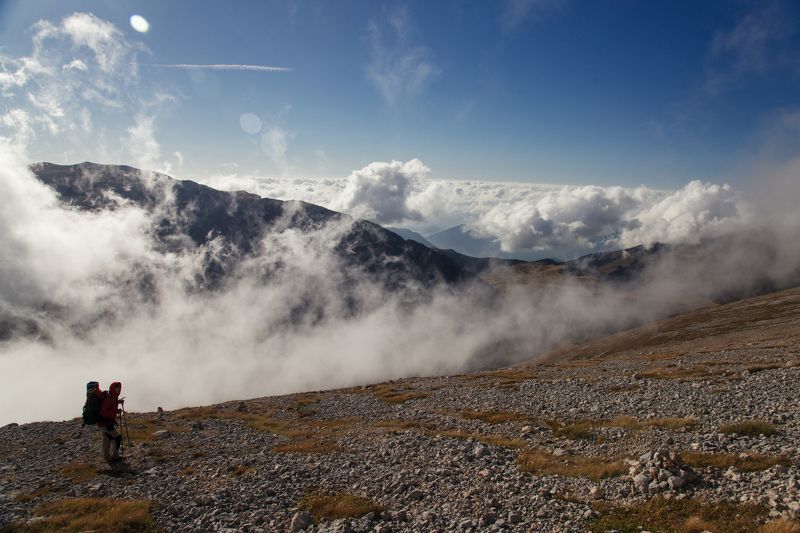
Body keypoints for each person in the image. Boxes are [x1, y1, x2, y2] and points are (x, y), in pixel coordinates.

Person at [97, 381, 124, 463]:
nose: (119, 390)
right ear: (113, 389)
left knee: (107, 438)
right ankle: (113, 456)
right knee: (116, 437)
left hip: (105, 422)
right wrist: (116, 411)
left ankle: (108, 457)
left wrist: (118, 403)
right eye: (117, 388)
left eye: (119, 388)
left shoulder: (113, 397)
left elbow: (111, 406)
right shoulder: (109, 398)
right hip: (105, 422)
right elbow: (103, 412)